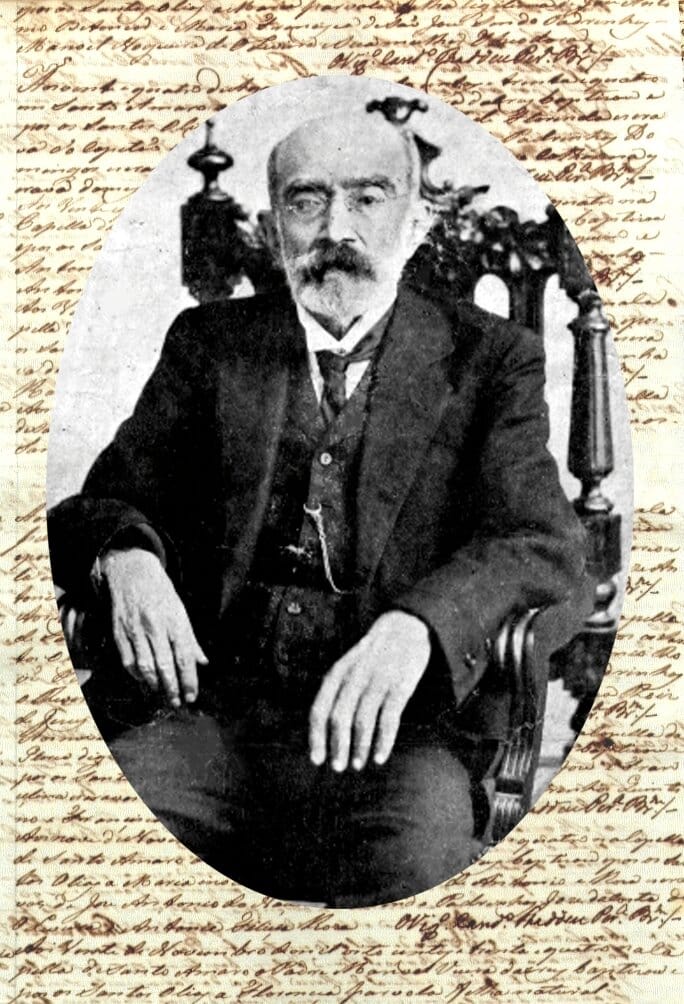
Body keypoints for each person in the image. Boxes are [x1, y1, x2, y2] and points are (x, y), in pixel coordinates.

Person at [48, 105, 590, 907]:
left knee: (423, 882)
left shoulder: (491, 359)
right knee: (95, 866)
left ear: (416, 223)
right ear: (274, 230)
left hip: (400, 736)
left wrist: (419, 627)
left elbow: (540, 543)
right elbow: (100, 501)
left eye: (368, 198)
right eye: (307, 200)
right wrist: (124, 557)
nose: (336, 229)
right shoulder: (209, 345)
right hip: (208, 717)